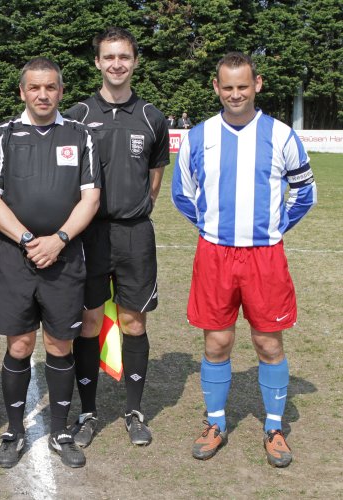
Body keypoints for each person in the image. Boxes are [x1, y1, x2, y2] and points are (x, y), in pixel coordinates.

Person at [172, 52, 317, 468]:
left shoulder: (282, 135)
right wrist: (212, 228)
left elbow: (304, 192)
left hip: (264, 256)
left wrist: (272, 229)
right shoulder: (198, 136)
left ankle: (274, 427)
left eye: (243, 85)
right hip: (214, 254)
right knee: (217, 342)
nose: (235, 94)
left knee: (268, 342)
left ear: (258, 85)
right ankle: (215, 422)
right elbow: (183, 194)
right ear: (216, 88)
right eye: (227, 86)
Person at [0, 57, 101, 469]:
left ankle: (61, 430)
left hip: (65, 258)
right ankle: (14, 430)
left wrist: (61, 239)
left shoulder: (81, 134)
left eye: (50, 87)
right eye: (34, 87)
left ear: (61, 92)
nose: (43, 94)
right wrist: (30, 240)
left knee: (60, 343)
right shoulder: (2, 135)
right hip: (16, 257)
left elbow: (91, 197)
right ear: (22, 92)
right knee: (19, 343)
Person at [64, 27, 170, 448]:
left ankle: (134, 411)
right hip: (88, 235)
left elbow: (155, 177)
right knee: (88, 323)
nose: (116, 64)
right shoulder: (76, 115)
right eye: (108, 57)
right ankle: (87, 412)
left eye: (124, 56)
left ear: (135, 61)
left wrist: (136, 209)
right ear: (97, 62)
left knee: (133, 320)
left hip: (134, 235)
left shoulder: (152, 117)